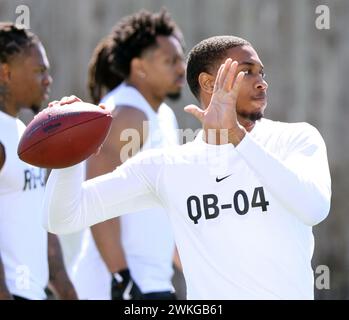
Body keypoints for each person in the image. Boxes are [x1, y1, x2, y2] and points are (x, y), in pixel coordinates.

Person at [43, 35, 331, 299]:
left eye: (261, 72)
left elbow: (314, 207)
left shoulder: (296, 139)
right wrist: (68, 150)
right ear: (208, 84)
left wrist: (236, 136)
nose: (261, 82)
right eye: (246, 71)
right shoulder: (168, 167)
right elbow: (62, 218)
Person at [69, 9, 186, 300]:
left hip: (152, 284)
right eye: (169, 61)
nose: (181, 68)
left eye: (180, 59)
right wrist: (122, 278)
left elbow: (164, 206)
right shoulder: (127, 114)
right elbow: (96, 199)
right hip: (118, 286)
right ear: (139, 67)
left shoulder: (163, 116)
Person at [0, 22, 77, 300]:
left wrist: (67, 290)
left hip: (36, 294)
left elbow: (40, 220)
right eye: (39, 71)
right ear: (6, 73)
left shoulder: (24, 133)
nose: (48, 80)